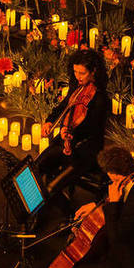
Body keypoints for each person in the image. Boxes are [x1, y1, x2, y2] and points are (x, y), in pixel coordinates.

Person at [36, 48, 110, 205]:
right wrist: (50, 120)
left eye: (82, 73)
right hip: (66, 139)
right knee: (37, 167)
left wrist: (70, 132)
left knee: (52, 187)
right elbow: (64, 106)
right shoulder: (76, 87)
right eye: (75, 71)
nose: (77, 76)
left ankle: (58, 210)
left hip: (85, 149)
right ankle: (36, 207)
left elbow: (94, 131)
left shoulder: (101, 99)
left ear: (93, 72)